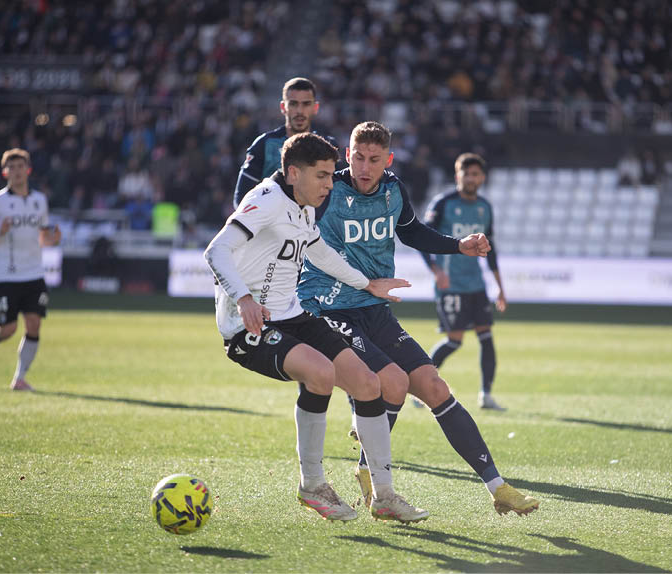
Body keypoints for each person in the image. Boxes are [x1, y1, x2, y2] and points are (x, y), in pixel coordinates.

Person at [298, 122, 539, 517]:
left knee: (433, 384)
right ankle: (381, 491)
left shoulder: (393, 190)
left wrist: (458, 246)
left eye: (374, 159)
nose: (365, 166)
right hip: (328, 306)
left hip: (374, 308)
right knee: (390, 381)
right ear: (347, 154)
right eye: (358, 157)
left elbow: (412, 232)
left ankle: (498, 487)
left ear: (387, 160)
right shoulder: (327, 192)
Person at [205, 132, 428, 523]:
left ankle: (385, 495)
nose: (330, 183)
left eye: (330, 175)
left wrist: (366, 283)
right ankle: (312, 485)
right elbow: (217, 250)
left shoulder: (303, 205)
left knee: (369, 383)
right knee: (321, 373)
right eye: (322, 175)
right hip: (246, 326)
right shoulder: (267, 200)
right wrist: (243, 299)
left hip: (290, 315)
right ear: (293, 173)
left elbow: (320, 252)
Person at [419, 153, 507, 410]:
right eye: (466, 173)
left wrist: (500, 288)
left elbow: (491, 249)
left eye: (476, 174)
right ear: (458, 176)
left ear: (482, 177)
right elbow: (422, 237)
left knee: (486, 336)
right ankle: (419, 386)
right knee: (454, 340)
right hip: (451, 284)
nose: (471, 178)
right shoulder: (443, 203)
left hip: (476, 284)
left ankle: (486, 395)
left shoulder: (485, 207)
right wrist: (435, 270)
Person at [0, 148, 61, 391]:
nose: (17, 171)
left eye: (21, 166)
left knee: (34, 324)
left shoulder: (39, 200)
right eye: (11, 167)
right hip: (5, 276)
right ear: (5, 173)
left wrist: (52, 239)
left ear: (28, 170)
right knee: (9, 328)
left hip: (34, 274)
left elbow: (43, 236)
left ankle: (19, 378)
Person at [233, 77, 338, 208]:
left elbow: (338, 195)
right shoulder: (264, 144)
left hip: (315, 226)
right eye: (293, 104)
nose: (300, 111)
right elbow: (241, 198)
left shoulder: (328, 146)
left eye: (306, 104)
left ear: (315, 107)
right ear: (283, 107)